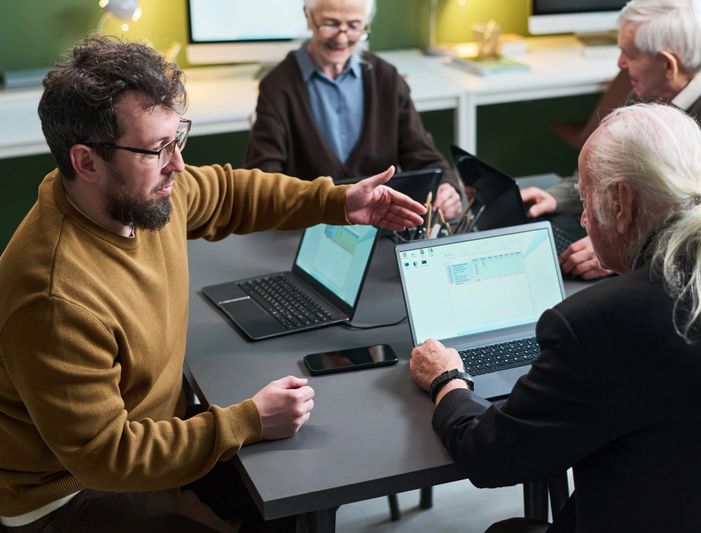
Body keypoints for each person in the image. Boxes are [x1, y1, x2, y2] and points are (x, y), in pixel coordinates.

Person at [0, 36, 425, 532]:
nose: (177, 164)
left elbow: (228, 193)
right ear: (86, 161)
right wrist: (246, 421)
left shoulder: (142, 193)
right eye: (158, 149)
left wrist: (337, 202)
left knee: (290, 498)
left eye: (178, 138)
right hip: (69, 492)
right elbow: (107, 456)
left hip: (158, 435)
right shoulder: (53, 299)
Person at [409, 103, 701, 533]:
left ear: (621, 202)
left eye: (586, 195)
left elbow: (491, 458)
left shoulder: (599, 323)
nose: (581, 217)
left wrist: (449, 382)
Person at [521, 0, 701, 280]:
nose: (620, 63)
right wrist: (558, 196)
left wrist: (621, 252)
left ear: (668, 64)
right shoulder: (650, 91)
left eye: (629, 54)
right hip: (666, 252)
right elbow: (611, 174)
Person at [244, 0, 464, 220]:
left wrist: (447, 185)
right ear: (308, 17)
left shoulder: (386, 78)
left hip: (381, 227)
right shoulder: (277, 86)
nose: (341, 38)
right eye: (330, 24)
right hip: (309, 228)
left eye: (354, 26)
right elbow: (263, 181)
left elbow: (424, 156)